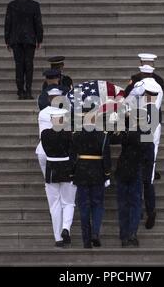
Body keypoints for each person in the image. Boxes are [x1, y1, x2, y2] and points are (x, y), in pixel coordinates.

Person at [126, 74, 163, 230]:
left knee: (136, 182)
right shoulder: (155, 113)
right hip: (150, 152)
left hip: (138, 151)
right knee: (148, 183)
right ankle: (150, 209)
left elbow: (135, 132)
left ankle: (138, 210)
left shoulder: (139, 112)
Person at [72, 109, 112, 249]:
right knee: (97, 205)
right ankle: (95, 233)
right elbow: (106, 156)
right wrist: (107, 174)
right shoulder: (103, 135)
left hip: (82, 172)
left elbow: (72, 156)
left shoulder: (77, 135)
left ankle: (86, 240)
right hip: (97, 172)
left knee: (84, 207)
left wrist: (72, 174)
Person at [115, 109, 154, 247]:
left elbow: (115, 136)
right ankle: (132, 233)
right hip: (136, 169)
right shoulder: (145, 133)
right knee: (135, 204)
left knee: (123, 205)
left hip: (123, 169)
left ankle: (124, 235)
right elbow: (149, 153)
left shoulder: (126, 132)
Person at [40, 108, 77, 248]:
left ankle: (58, 237)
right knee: (68, 202)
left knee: (54, 205)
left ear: (51, 120)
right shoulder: (69, 134)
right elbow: (73, 152)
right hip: (66, 168)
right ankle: (66, 228)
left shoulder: (45, 134)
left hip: (52, 170)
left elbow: (45, 148)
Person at [4, 0, 43, 100]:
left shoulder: (11, 5)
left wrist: (7, 39)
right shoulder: (35, 5)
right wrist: (39, 39)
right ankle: (29, 91)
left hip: (16, 40)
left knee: (19, 65)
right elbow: (38, 23)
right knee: (29, 65)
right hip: (30, 39)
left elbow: (8, 23)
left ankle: (20, 91)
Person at [36, 88, 65, 178]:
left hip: (43, 149)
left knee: (49, 182)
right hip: (60, 150)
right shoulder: (65, 112)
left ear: (48, 99)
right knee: (63, 183)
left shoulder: (42, 113)